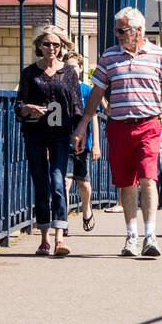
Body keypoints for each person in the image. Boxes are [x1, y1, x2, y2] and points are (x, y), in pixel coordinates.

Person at [71, 6, 162, 257]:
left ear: (138, 30)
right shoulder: (109, 57)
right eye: (116, 30)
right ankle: (132, 235)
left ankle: (150, 235)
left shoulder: (160, 55)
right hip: (119, 125)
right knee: (126, 182)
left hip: (149, 124)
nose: (117, 34)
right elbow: (96, 93)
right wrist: (82, 124)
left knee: (148, 177)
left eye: (122, 30)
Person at [15, 25, 82, 257]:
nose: (51, 48)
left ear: (61, 47)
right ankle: (43, 238)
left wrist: (79, 132)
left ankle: (59, 238)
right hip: (34, 133)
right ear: (39, 47)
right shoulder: (29, 73)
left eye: (55, 44)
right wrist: (28, 108)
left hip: (60, 135)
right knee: (41, 183)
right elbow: (17, 105)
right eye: (47, 44)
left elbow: (76, 106)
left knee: (57, 182)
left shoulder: (70, 73)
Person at [63, 54, 101, 234]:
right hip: (64, 143)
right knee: (65, 183)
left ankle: (86, 209)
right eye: (67, 67)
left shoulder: (86, 90)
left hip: (84, 144)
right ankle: (63, 221)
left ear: (80, 69)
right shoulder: (60, 89)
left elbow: (94, 116)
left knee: (83, 184)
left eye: (74, 67)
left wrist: (96, 145)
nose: (71, 70)